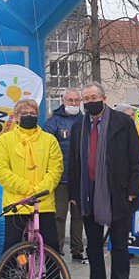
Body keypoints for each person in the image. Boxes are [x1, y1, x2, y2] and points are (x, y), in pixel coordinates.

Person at [69, 82, 139, 279]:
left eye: (94, 97)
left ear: (103, 98)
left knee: (119, 245)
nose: (90, 102)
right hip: (88, 193)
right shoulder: (78, 126)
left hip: (118, 193)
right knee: (93, 246)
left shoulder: (122, 122)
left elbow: (137, 159)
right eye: (86, 99)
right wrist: (74, 193)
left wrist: (133, 190)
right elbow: (73, 162)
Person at [0, 99, 64, 279]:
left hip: (43, 203)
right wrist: (26, 188)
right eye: (24, 112)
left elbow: (56, 168)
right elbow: (0, 170)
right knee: (11, 248)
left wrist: (41, 190)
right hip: (17, 203)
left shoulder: (49, 140)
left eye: (32, 111)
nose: (28, 115)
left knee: (51, 245)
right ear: (15, 116)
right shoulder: (5, 141)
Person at [43, 89, 86, 263]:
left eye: (77, 100)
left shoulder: (85, 121)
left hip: (80, 178)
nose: (74, 103)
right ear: (63, 100)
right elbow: (46, 149)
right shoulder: (53, 122)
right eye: (71, 100)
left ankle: (77, 249)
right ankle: (57, 250)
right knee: (59, 216)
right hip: (60, 178)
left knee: (79, 216)